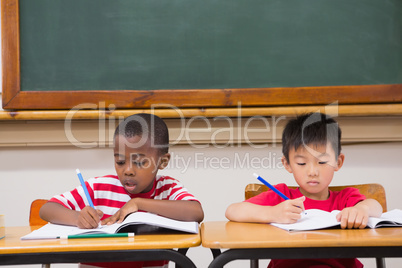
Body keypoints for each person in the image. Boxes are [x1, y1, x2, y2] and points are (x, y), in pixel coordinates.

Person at [40, 113, 204, 268]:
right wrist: (78, 218)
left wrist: (138, 203)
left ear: (162, 161)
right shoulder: (100, 187)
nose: (128, 170)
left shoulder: (167, 189)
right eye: (120, 162)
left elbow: (195, 212)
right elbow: (47, 209)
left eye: (139, 162)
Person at [225, 112, 383, 268]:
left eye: (322, 162)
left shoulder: (345, 198)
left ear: (338, 162)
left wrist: (361, 209)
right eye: (301, 163)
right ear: (287, 164)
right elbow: (232, 211)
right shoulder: (283, 197)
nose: (312, 171)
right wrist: (273, 213)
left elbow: (376, 206)